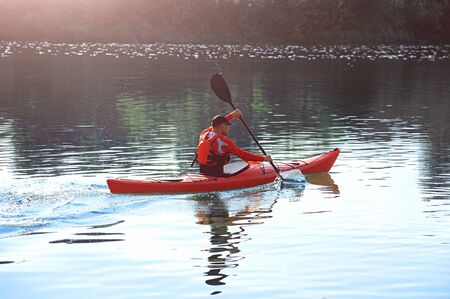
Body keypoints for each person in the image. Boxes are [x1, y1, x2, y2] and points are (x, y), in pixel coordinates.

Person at [195, 109, 272, 177]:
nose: (229, 129)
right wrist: (263, 158)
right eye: (228, 126)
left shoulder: (204, 134)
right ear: (223, 126)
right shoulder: (226, 142)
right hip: (218, 176)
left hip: (203, 173)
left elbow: (215, 125)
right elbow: (244, 156)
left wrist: (232, 115)